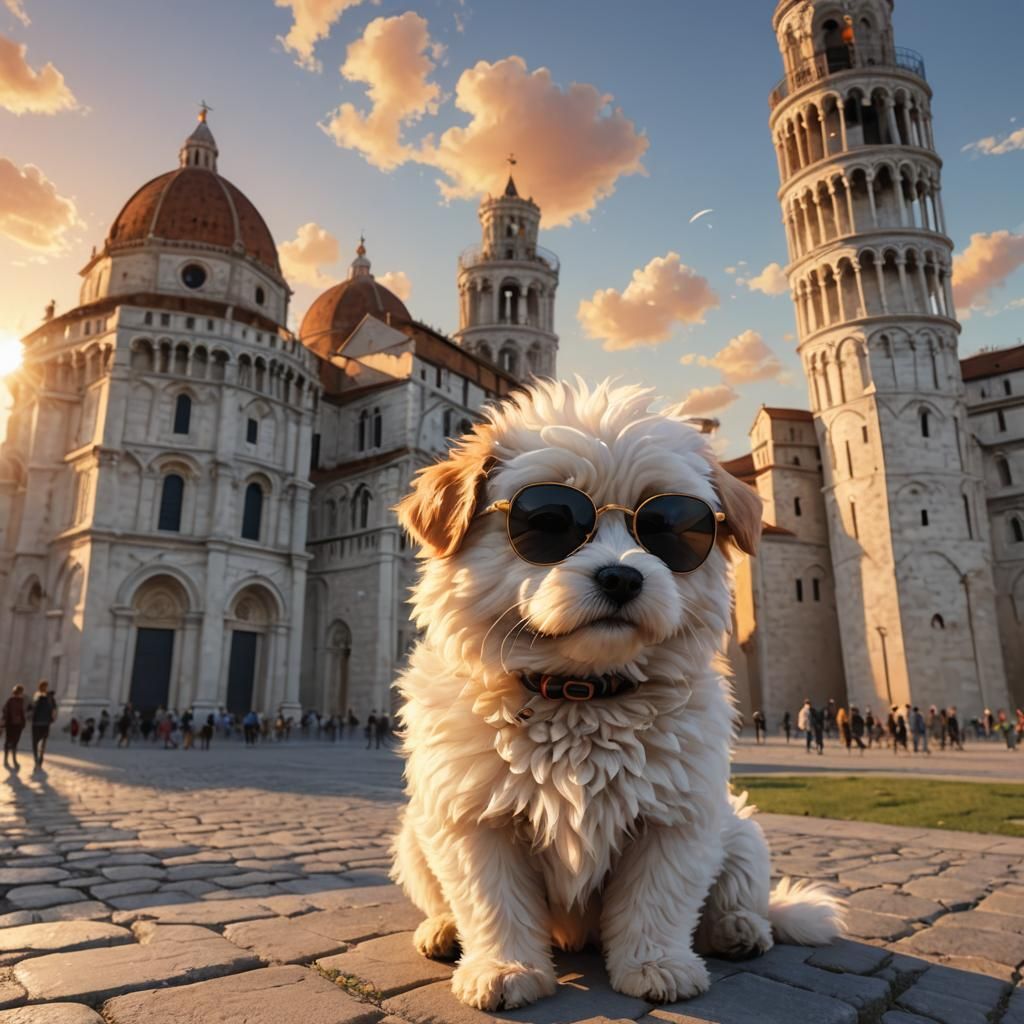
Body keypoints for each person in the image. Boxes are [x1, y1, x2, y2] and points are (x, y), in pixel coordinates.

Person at [30, 681, 57, 767]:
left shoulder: (37, 696)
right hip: (44, 723)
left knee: (36, 742)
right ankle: (39, 757)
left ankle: (37, 758)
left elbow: (31, 708)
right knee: (42, 742)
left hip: (37, 723)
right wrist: (52, 719)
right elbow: (54, 709)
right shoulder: (49, 697)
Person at [2, 684, 27, 770]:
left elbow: (22, 713)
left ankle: (11, 759)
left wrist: (23, 723)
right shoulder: (12, 700)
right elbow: (5, 711)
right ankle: (8, 759)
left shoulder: (19, 701)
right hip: (13, 724)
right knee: (11, 742)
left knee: (12, 742)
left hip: (15, 725)